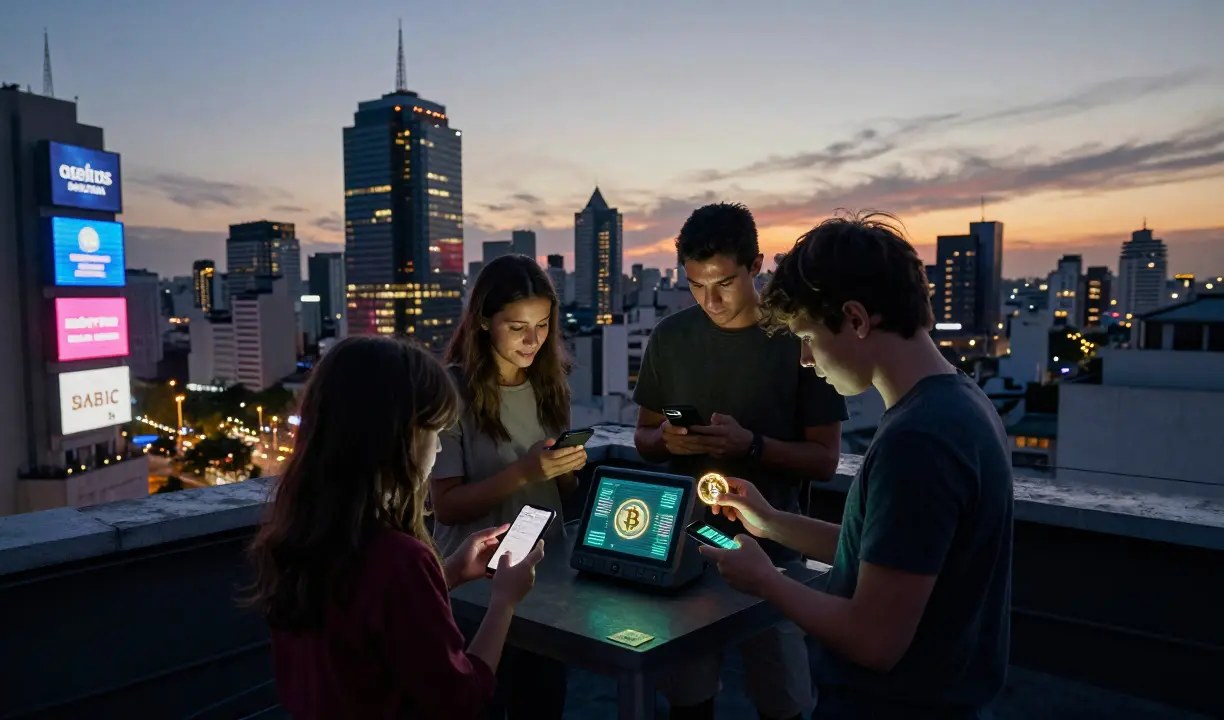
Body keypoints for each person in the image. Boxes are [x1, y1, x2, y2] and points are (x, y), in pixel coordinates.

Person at [700, 211, 1014, 720]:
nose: (806, 360)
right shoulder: (959, 402)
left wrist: (766, 580)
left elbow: (874, 641)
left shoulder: (920, 439)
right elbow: (885, 556)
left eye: (807, 338)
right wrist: (770, 522)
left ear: (856, 319)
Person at [248, 336, 546, 719]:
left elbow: (368, 618)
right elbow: (460, 699)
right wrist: (504, 601)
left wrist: (451, 572)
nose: (438, 450)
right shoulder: (401, 560)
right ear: (400, 437)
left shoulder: (297, 537)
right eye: (435, 433)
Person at [632, 203, 847, 720]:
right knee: (688, 700)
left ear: (756, 266)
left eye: (724, 284)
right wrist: (668, 440)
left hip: (777, 554)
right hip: (686, 549)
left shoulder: (798, 337)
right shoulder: (671, 337)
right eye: (696, 286)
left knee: (784, 701)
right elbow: (642, 438)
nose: (710, 301)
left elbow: (825, 460)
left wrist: (752, 446)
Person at [429, 254, 588, 719]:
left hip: (545, 583)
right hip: (474, 589)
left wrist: (564, 469)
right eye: (518, 327)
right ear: (483, 320)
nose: (533, 340)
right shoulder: (451, 391)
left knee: (543, 705)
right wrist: (526, 472)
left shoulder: (549, 384)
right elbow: (446, 506)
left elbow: (558, 493)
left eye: (542, 326)